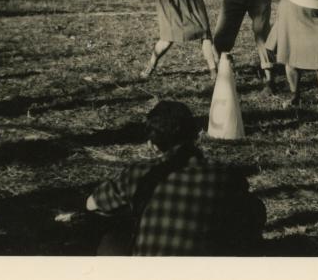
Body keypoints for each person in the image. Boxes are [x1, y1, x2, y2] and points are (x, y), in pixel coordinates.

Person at [86, 100, 266, 256]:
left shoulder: (139, 173)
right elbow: (254, 212)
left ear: (151, 145)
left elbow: (92, 203)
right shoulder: (224, 174)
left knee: (112, 242)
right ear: (196, 135)